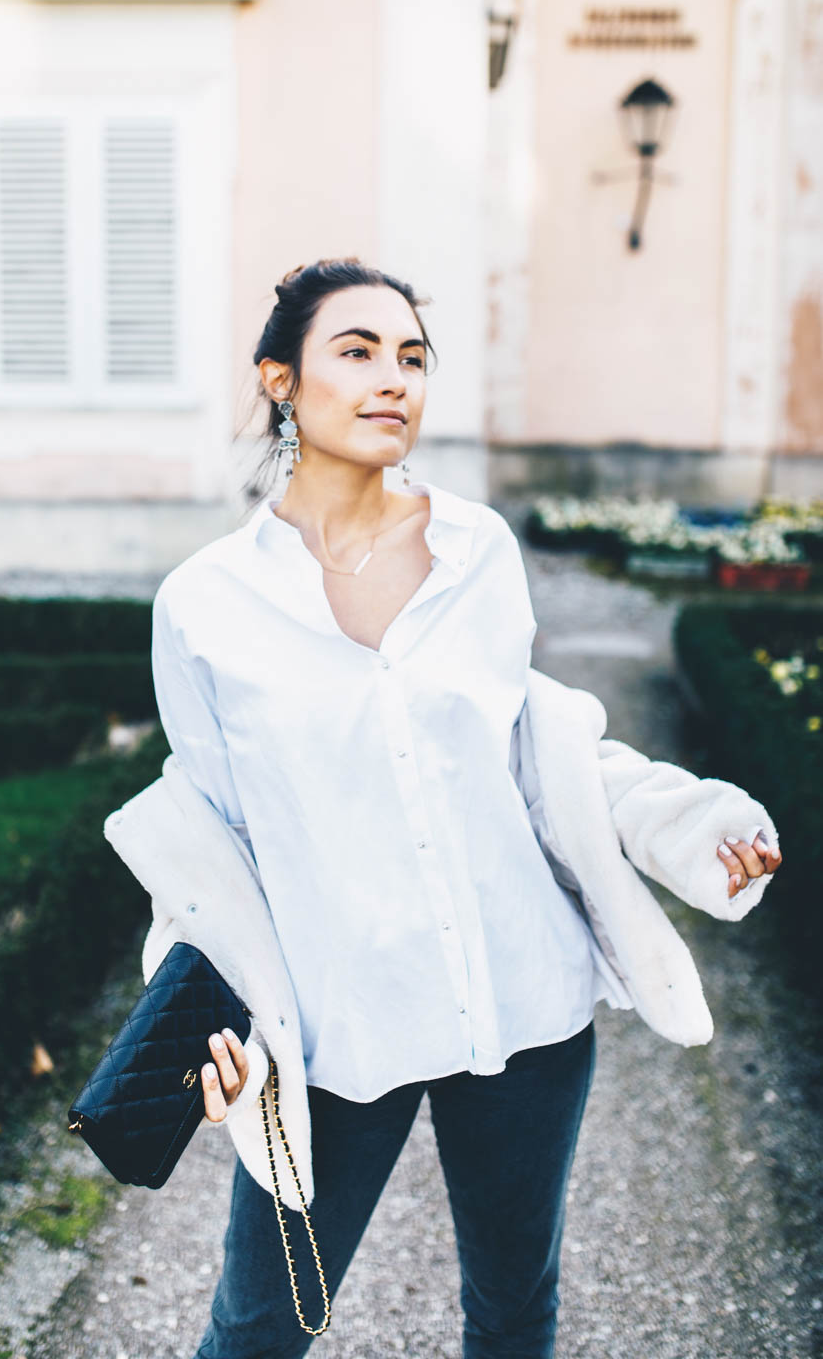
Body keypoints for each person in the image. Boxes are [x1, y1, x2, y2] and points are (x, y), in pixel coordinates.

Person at [147, 258, 783, 1359]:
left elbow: (539, 746)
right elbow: (208, 842)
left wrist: (694, 828)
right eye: (356, 350)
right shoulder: (206, 604)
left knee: (510, 1306)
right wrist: (205, 1032)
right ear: (281, 379)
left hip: (522, 1001)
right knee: (257, 1326)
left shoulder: (478, 550)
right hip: (339, 1024)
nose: (393, 377)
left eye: (411, 356)